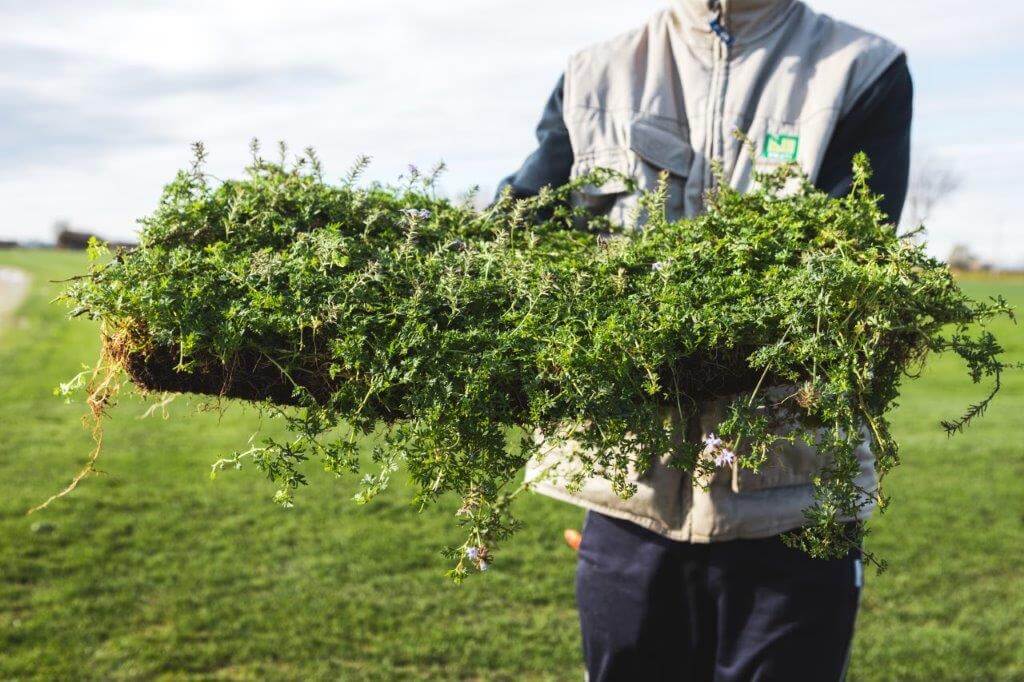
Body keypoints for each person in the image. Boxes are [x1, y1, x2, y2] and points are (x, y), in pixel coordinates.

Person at [498, 1, 912, 680]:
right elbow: (519, 231)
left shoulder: (858, 70)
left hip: (793, 503)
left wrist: (641, 334)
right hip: (629, 506)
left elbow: (840, 278)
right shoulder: (594, 74)